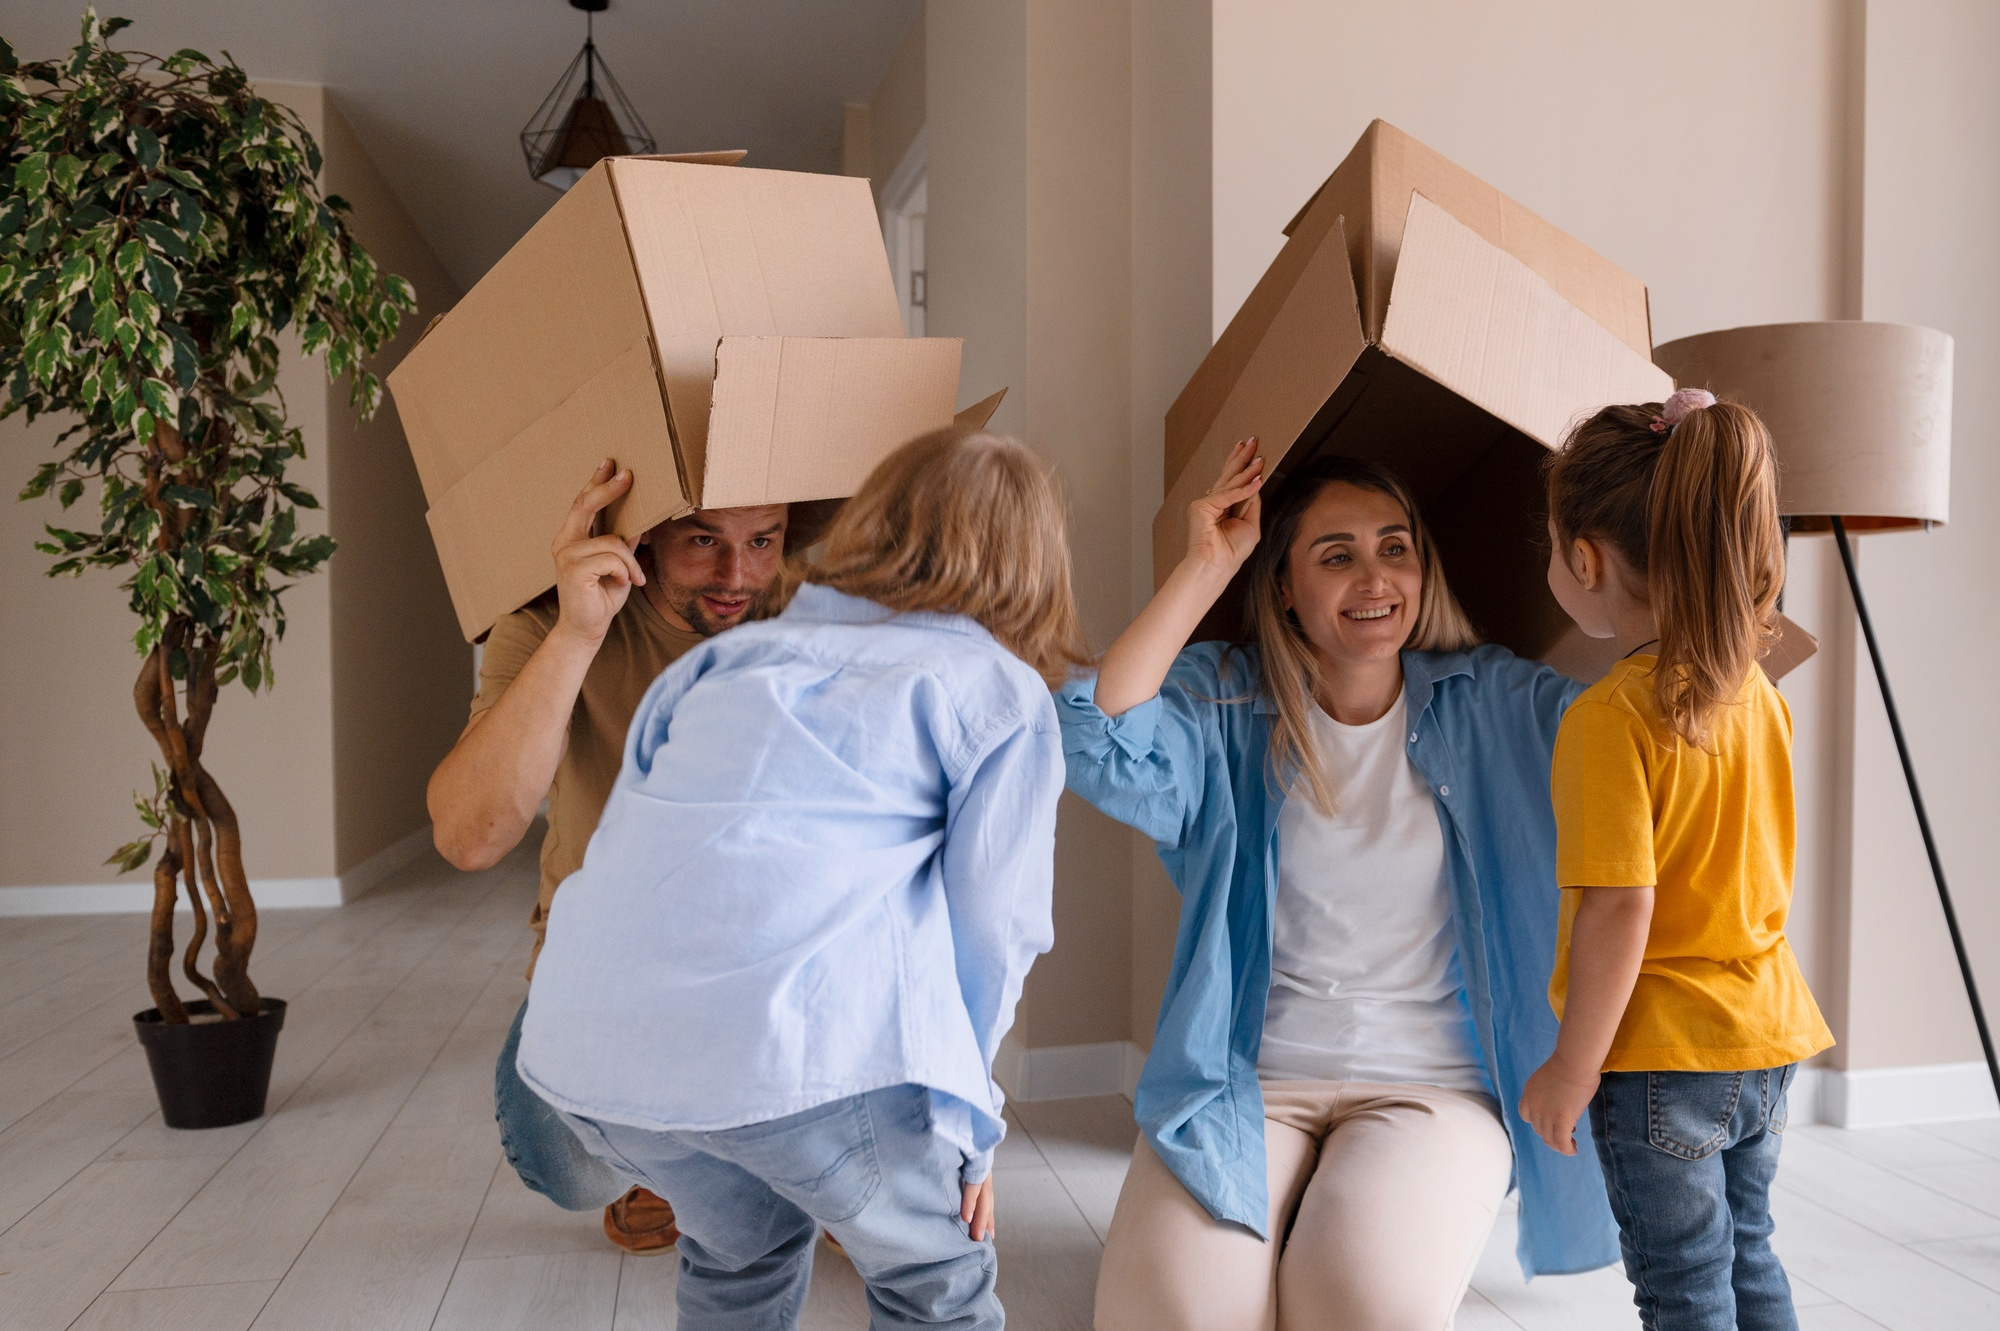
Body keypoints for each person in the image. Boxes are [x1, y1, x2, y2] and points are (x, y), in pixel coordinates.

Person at [516, 429, 1088, 1331]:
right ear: (1030, 568)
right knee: (935, 1279)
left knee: (739, 1251)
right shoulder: (993, 687)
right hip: (788, 1057)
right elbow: (995, 929)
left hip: (583, 1055)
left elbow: (641, 842)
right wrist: (972, 1132)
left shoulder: (727, 661)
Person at [1061, 439, 1619, 1331]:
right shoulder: (1227, 703)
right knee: (1173, 1318)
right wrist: (1208, 563)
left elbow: (1641, 728)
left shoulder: (1492, 702)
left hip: (1431, 1088)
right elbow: (1093, 735)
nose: (1375, 575)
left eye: (1395, 546)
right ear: (1283, 585)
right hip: (1245, 1082)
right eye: (1336, 554)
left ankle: (1326, 1227)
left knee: (1355, 1311)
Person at [1520, 389, 1834, 1331]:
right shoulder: (1758, 693)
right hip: (1766, 1035)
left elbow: (1622, 912)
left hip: (1661, 1057)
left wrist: (1571, 1070)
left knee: (1683, 1284)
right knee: (1747, 1248)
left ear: (1585, 558)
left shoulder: (1609, 719)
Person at [428, 458, 792, 1255]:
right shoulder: (550, 622)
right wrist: (577, 633)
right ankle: (679, 1158)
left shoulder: (809, 616)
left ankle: (792, 1161)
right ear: (645, 533)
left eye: (763, 538)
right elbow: (469, 836)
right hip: (612, 975)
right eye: (704, 539)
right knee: (563, 1156)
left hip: (771, 971)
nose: (739, 574)